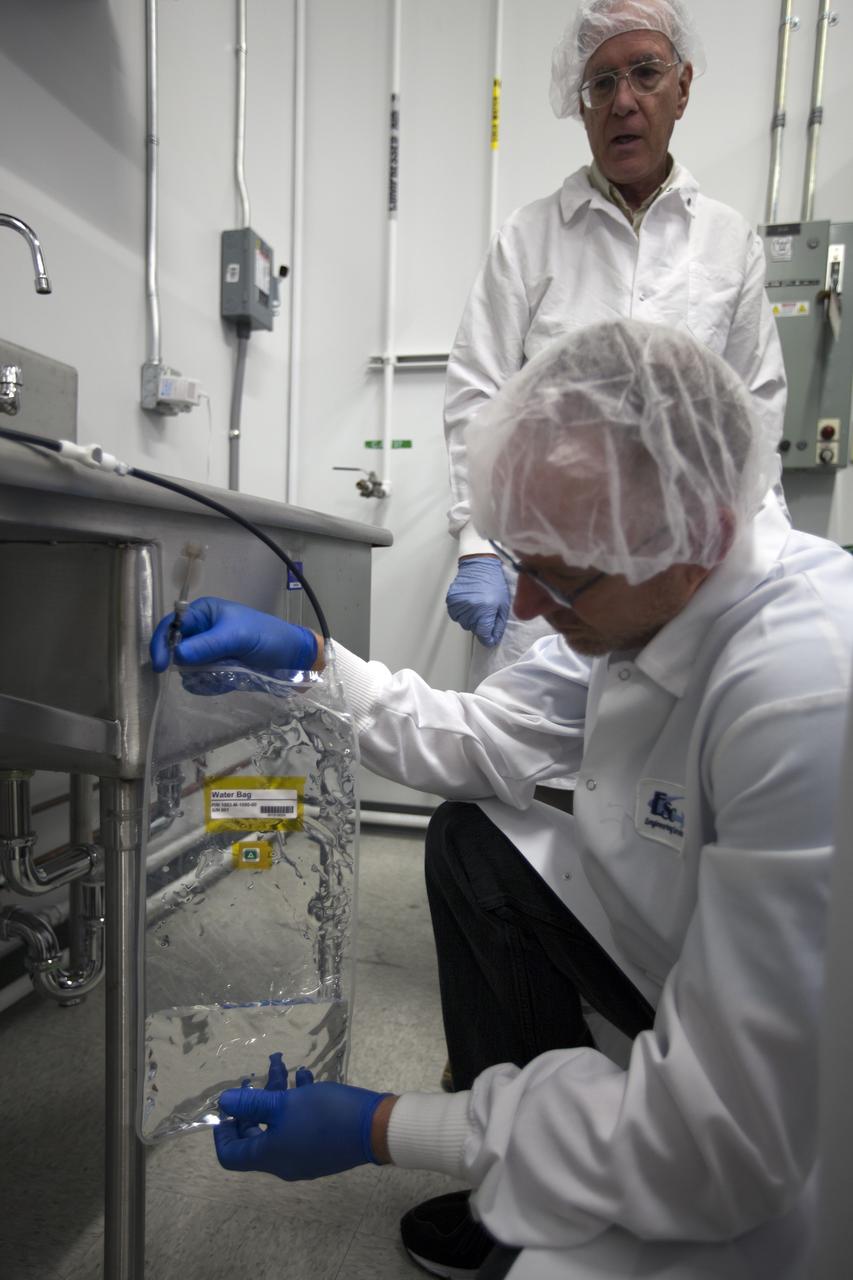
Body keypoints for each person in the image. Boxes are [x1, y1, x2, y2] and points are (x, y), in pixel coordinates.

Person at [150, 320, 848, 1280]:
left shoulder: (806, 691)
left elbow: (718, 1149)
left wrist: (390, 1127)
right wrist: (312, 663)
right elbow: (479, 738)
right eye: (518, 562)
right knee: (477, 838)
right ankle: (522, 1174)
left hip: (809, 1112)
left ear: (699, 535)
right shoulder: (652, 587)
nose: (524, 611)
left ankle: (538, 1168)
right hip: (710, 965)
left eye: (555, 578)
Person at [443, 0, 786, 711]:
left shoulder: (726, 242)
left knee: (668, 782)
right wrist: (477, 542)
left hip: (686, 574)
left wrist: (762, 556)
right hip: (554, 574)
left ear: (681, 87)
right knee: (523, 773)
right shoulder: (529, 237)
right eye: (600, 83)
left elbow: (756, 410)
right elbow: (478, 393)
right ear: (581, 102)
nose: (621, 100)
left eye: (643, 73)